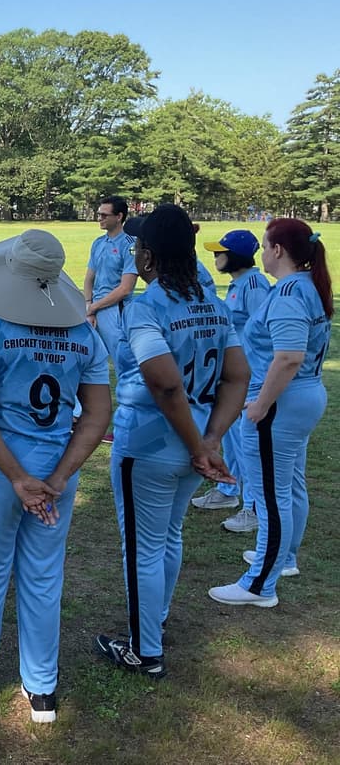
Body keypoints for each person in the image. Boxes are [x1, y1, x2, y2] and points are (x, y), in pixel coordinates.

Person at [0, 230, 110, 724]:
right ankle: (42, 692)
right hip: (57, 472)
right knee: (43, 578)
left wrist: (16, 476)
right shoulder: (84, 332)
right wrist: (55, 479)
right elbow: (99, 417)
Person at [93, 204, 248, 678]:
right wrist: (212, 438)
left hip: (151, 444)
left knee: (143, 546)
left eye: (140, 248)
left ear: (148, 256)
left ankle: (145, 649)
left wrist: (202, 445)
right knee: (169, 537)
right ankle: (152, 623)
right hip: (196, 437)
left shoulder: (148, 305)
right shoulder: (210, 302)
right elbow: (237, 375)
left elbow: (163, 384)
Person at [208, 219, 332, 608]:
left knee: (273, 496)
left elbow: (290, 356)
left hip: (282, 402)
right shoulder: (307, 286)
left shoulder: (290, 293)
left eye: (265, 246)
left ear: (277, 250)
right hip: (301, 398)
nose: (262, 253)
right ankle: (284, 559)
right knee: (291, 486)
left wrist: (261, 405)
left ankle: (260, 583)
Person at [191, 230, 271, 530]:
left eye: (220, 252)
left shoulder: (255, 284)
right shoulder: (239, 284)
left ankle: (252, 508)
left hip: (253, 379)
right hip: (236, 378)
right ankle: (228, 490)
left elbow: (262, 332)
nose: (215, 257)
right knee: (232, 442)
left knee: (247, 446)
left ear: (235, 255)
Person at [85, 195, 137, 357]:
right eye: (99, 214)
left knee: (122, 361)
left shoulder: (131, 245)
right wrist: (89, 306)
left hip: (115, 311)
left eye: (104, 215)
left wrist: (94, 307)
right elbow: (89, 278)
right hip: (94, 310)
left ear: (119, 216)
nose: (99, 218)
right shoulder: (98, 243)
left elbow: (125, 289)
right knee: (93, 363)